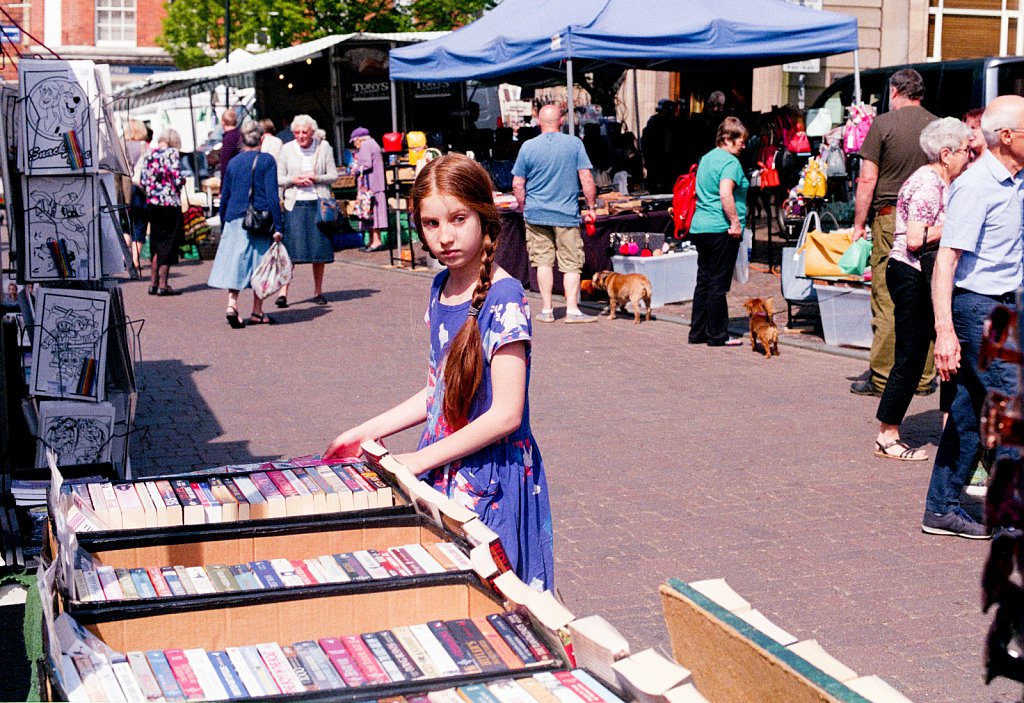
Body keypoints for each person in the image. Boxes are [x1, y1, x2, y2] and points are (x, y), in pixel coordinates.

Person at [324, 153, 554, 591]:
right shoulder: (440, 286)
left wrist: (416, 461)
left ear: (484, 216)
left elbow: (506, 414)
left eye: (457, 219)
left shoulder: (505, 297)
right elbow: (437, 392)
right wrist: (361, 433)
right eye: (431, 224)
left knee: (491, 599)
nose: (445, 236)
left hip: (490, 479)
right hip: (446, 462)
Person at [921, 95, 1024, 539]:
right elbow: (946, 260)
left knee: (967, 412)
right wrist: (945, 331)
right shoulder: (975, 185)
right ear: (1005, 137)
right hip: (978, 307)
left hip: (1008, 305)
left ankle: (941, 508)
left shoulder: (1017, 180)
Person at [872, 118, 972, 461]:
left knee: (948, 350)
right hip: (910, 273)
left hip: (927, 272)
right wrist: (957, 225)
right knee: (912, 355)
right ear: (946, 154)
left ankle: (950, 430)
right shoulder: (928, 184)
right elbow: (915, 239)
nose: (970, 157)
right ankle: (887, 435)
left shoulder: (948, 181)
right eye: (966, 151)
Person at [851, 69, 938, 397]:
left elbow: (867, 180)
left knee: (887, 297)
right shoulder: (938, 125)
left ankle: (884, 377)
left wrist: (859, 225)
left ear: (896, 91)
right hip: (929, 221)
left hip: (891, 219)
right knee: (926, 296)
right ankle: (924, 376)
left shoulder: (882, 124)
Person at [511, 104, 597, 324]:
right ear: (561, 121)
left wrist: (523, 207)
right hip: (566, 214)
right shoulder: (574, 144)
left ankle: (547, 309)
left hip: (536, 213)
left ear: (539, 122)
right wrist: (591, 207)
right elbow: (586, 178)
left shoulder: (528, 147)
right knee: (571, 263)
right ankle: (572, 310)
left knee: (542, 262)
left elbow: (517, 184)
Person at [208, 120, 282, 328]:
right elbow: (272, 197)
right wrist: (278, 226)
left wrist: (224, 221)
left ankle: (232, 304)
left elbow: (225, 196)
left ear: (242, 139)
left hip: (234, 217)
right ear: (261, 138)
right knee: (260, 266)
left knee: (236, 263)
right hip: (259, 219)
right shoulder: (267, 161)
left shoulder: (233, 163)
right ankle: (257, 311)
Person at [687, 116, 749, 347]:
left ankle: (697, 331)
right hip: (720, 228)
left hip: (701, 225)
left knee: (703, 279)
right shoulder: (730, 163)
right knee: (717, 283)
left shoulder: (706, 158)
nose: (743, 146)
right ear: (727, 139)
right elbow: (725, 193)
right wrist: (734, 222)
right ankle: (717, 334)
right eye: (740, 141)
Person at [275, 114, 338, 308]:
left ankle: (318, 291)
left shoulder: (324, 147)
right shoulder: (286, 149)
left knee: (318, 252)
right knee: (290, 251)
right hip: (295, 204)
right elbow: (279, 178)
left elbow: (333, 175)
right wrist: (293, 180)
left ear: (312, 132)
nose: (301, 136)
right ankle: (283, 292)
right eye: (297, 132)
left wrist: (316, 178)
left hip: (317, 204)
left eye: (305, 132)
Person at [139, 128, 186, 296]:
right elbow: (177, 177)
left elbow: (142, 180)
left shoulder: (149, 154)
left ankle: (153, 282)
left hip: (153, 203)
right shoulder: (172, 153)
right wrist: (181, 182)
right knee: (168, 242)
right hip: (170, 202)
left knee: (156, 241)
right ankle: (163, 284)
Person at [349, 127, 388, 252]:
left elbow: (366, 164)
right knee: (370, 214)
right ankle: (372, 241)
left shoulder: (366, 145)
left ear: (358, 139)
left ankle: (376, 242)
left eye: (354, 141)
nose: (355, 144)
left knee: (371, 214)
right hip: (376, 184)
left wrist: (354, 169)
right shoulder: (373, 143)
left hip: (370, 186)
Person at [124, 119, 149, 271]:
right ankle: (135, 259)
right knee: (140, 223)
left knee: (125, 224)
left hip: (124, 189)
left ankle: (123, 256)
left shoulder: (121, 147)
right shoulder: (144, 147)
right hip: (139, 189)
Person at [641, 99, 677, 193]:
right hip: (657, 163)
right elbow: (646, 143)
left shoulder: (674, 124)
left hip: (668, 165)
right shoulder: (655, 123)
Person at [218, 109, 241, 182]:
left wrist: (222, 189)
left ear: (222, 122)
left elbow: (225, 164)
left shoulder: (228, 138)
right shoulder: (241, 134)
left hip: (234, 178)